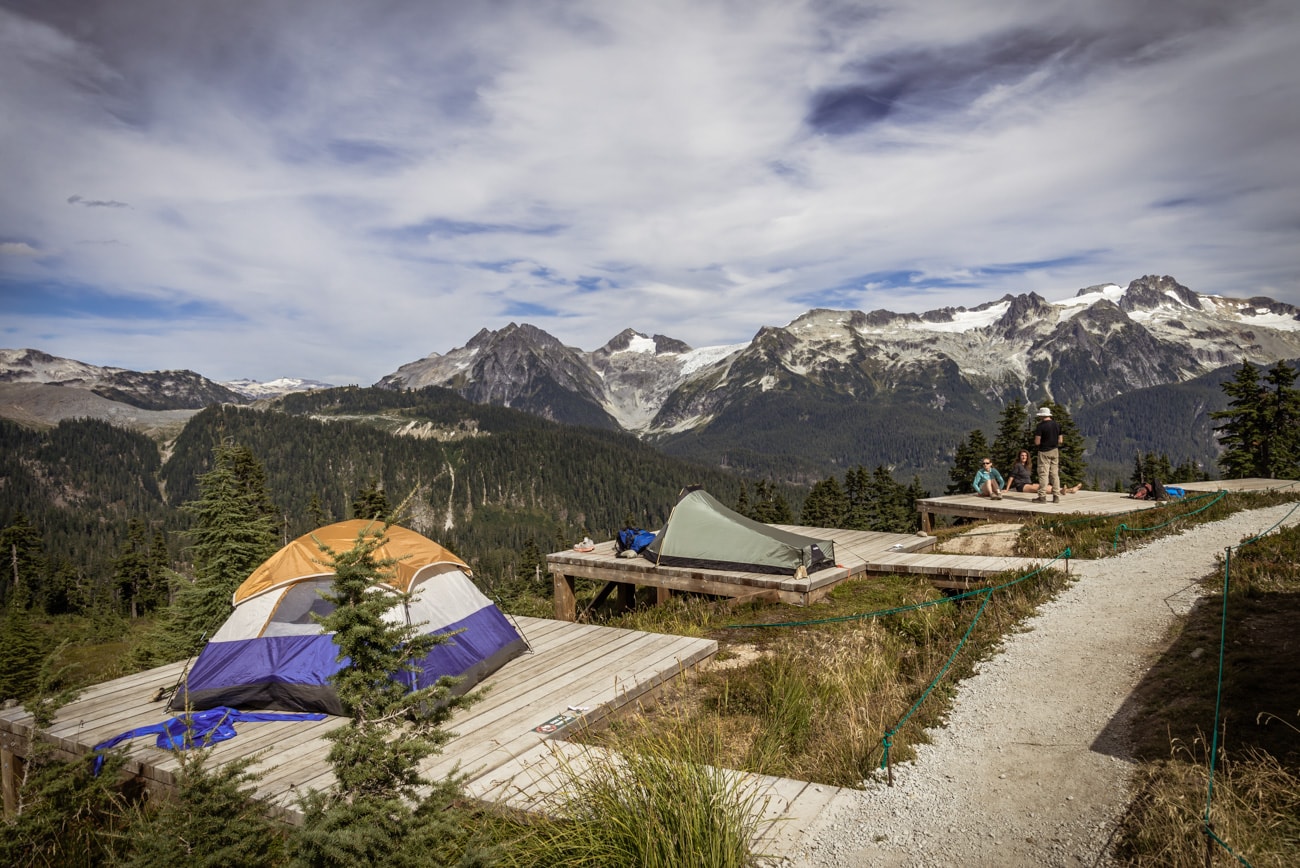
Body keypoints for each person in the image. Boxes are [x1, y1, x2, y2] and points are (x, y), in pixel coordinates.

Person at [1033, 407, 1062, 503]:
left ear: (1042, 416)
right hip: (1055, 450)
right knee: (1054, 474)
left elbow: (1037, 442)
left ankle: (1042, 496)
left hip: (1044, 451)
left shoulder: (1040, 426)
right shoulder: (1057, 425)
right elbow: (1060, 440)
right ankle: (1056, 496)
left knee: (1043, 474)